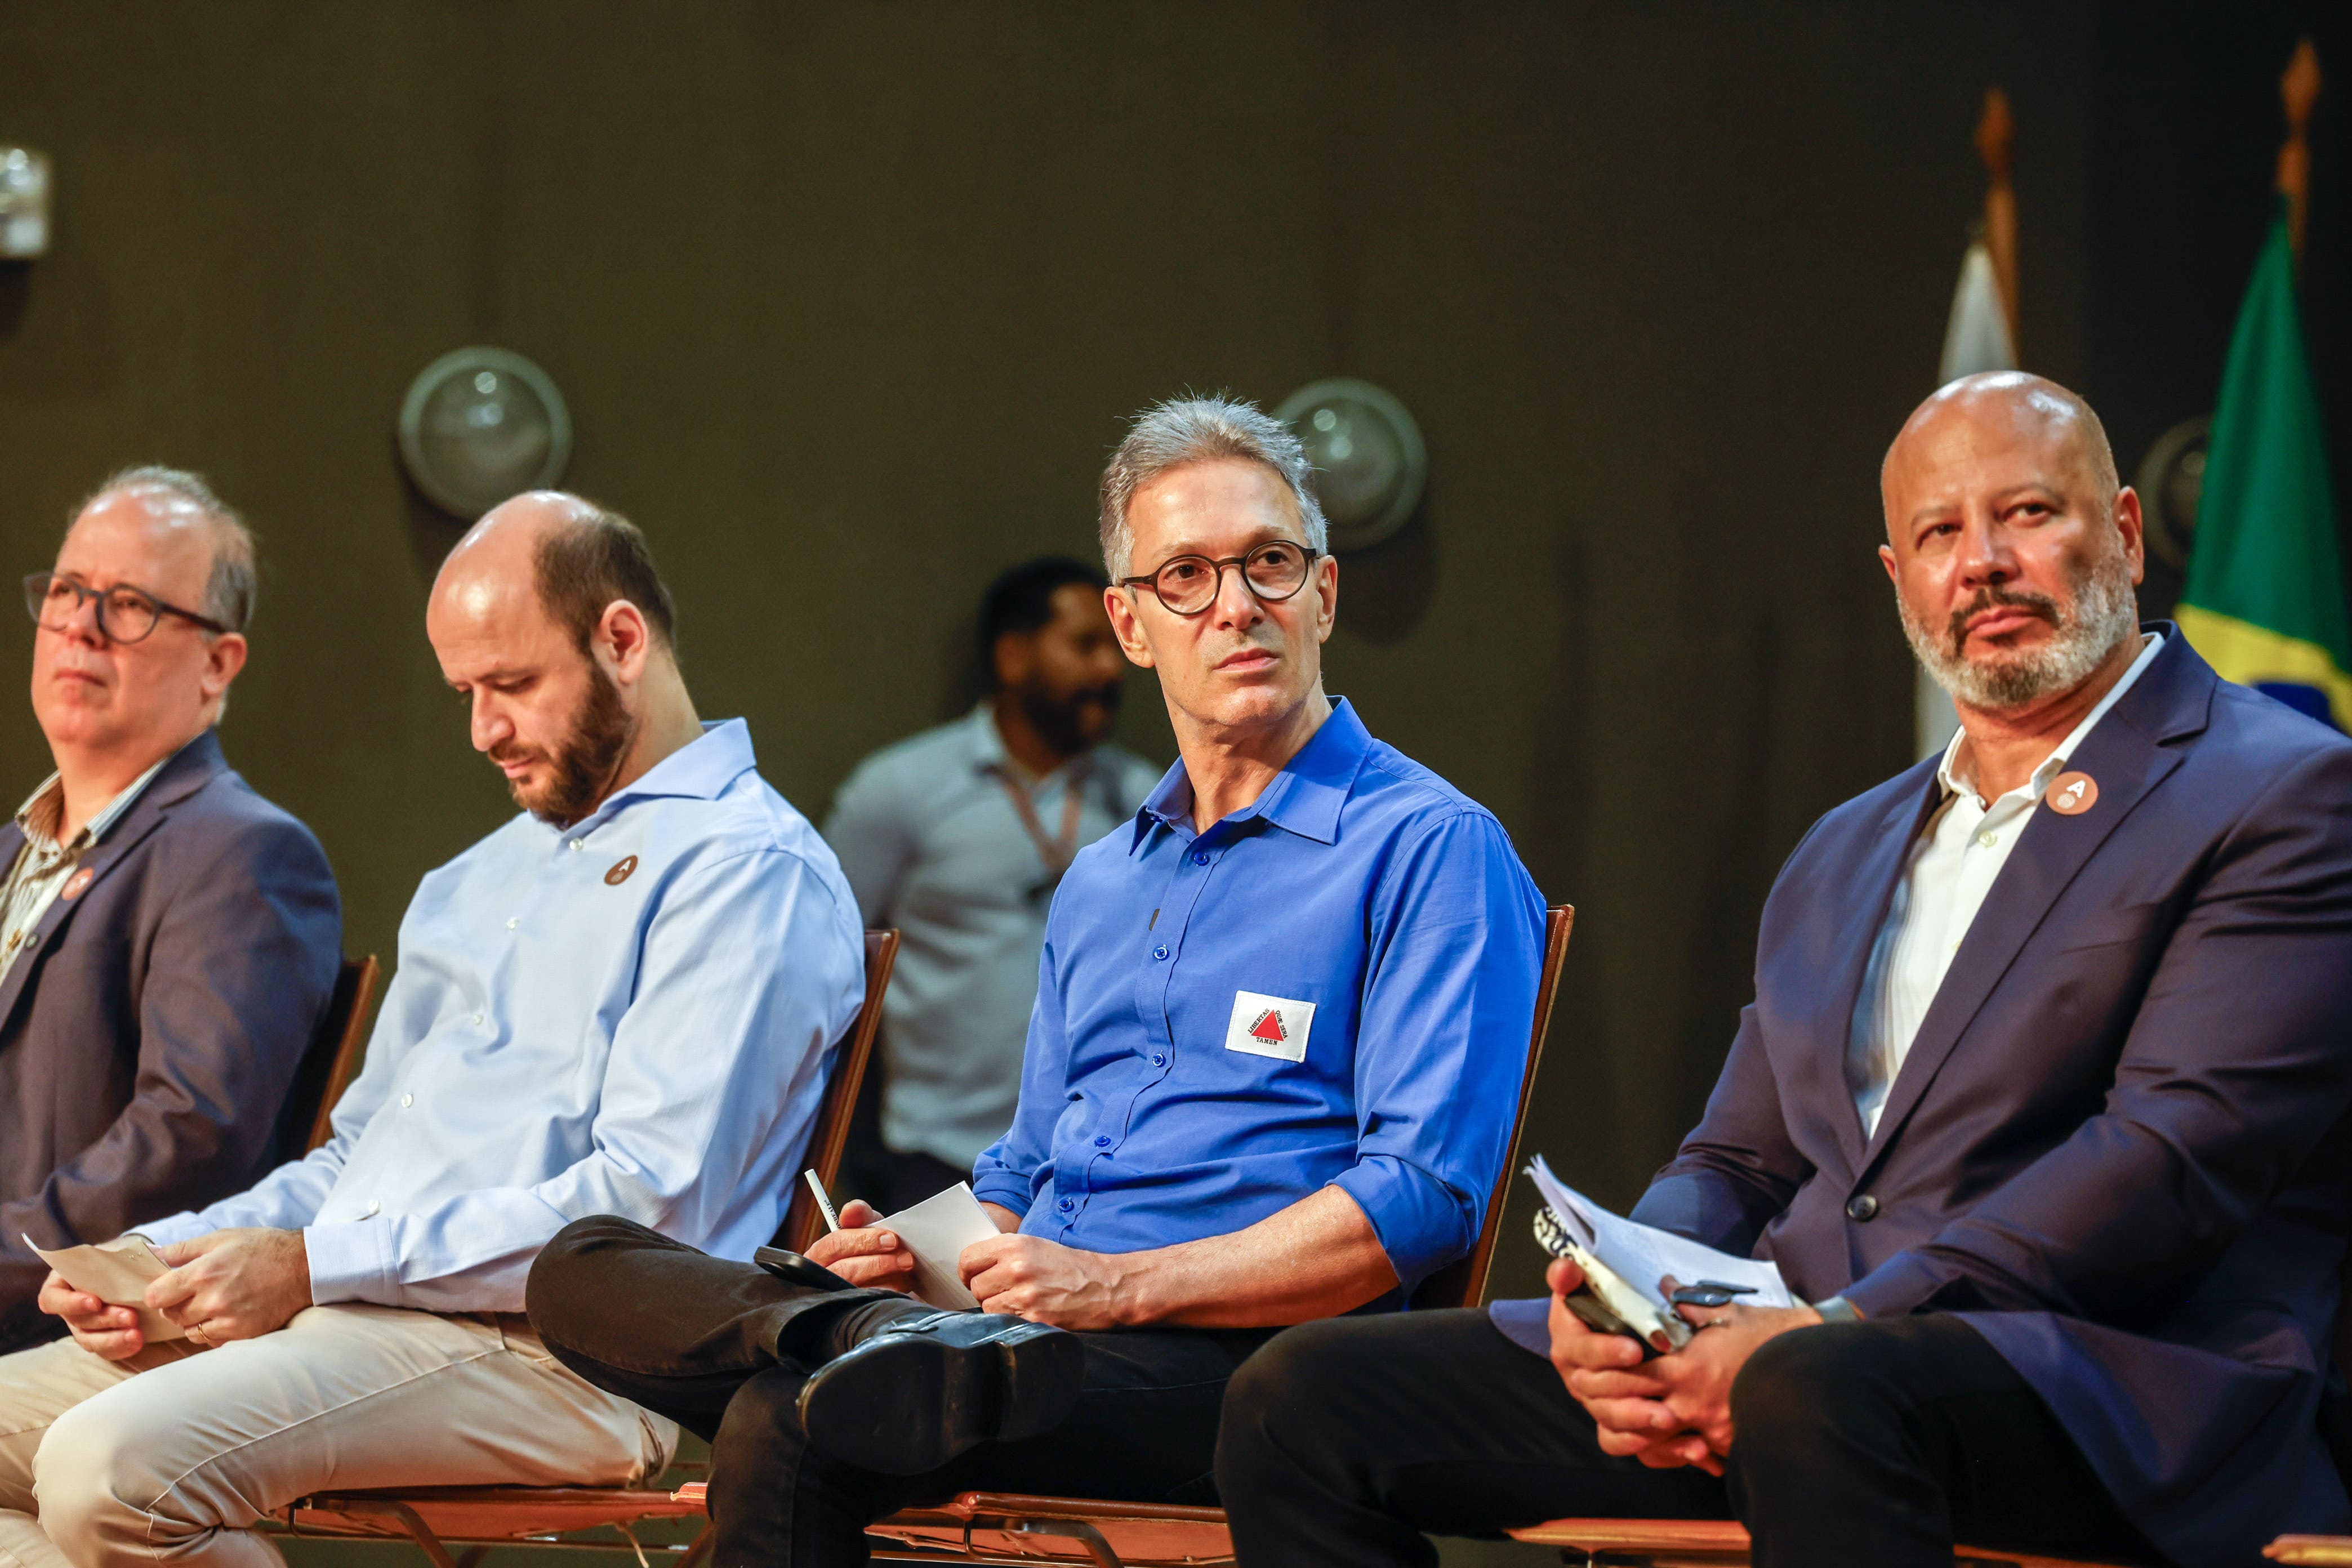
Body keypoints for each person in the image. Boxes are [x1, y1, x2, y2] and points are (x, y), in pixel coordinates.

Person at [1214, 372, 2352, 1568]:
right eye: (1938, 534)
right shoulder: (1847, 844)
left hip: (2104, 1378)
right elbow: (1736, 1160)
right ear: (1899, 576)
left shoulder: (2280, 792)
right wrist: (1627, 1303)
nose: (1981, 564)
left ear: (2121, 531)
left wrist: (1841, 1324)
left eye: (2026, 513)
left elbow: (2167, 1162)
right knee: (1302, 1399)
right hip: (1792, 1356)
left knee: (1812, 1396)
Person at [525, 395, 1547, 1566]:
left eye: (1269, 562)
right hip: (1022, 1332)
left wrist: (1115, 1287)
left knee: (791, 1419)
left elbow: (1420, 1197)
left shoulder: (1430, 846)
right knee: (582, 1266)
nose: (1235, 605)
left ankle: (869, 1346)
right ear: (1131, 622)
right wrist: (908, 1255)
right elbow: (1021, 1174)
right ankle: (858, 1325)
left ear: (1323, 593)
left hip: (1241, 1366)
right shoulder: (1104, 879)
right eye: (1186, 576)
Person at [0, 492, 865, 1568]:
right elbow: (354, 1161)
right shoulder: (473, 877)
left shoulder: (746, 868)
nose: (483, 730)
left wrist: (314, 1264)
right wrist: (153, 1257)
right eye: (465, 692)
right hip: (353, 1313)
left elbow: (650, 1216)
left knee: (103, 1469)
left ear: (621, 639)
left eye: (512, 684)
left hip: (574, 1357)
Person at [1, 467, 340, 1353]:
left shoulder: (245, 854)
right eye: (67, 592)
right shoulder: (8, 853)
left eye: (129, 605)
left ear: (217, 663)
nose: (79, 626)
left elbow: (185, 1142)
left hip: (71, 1336)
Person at [825, 555, 1160, 1213]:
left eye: (1116, 647)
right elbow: (823, 961)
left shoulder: (1144, 797)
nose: (1111, 669)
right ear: (1012, 657)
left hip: (1098, 1154)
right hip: (939, 1153)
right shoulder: (902, 790)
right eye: (1086, 645)